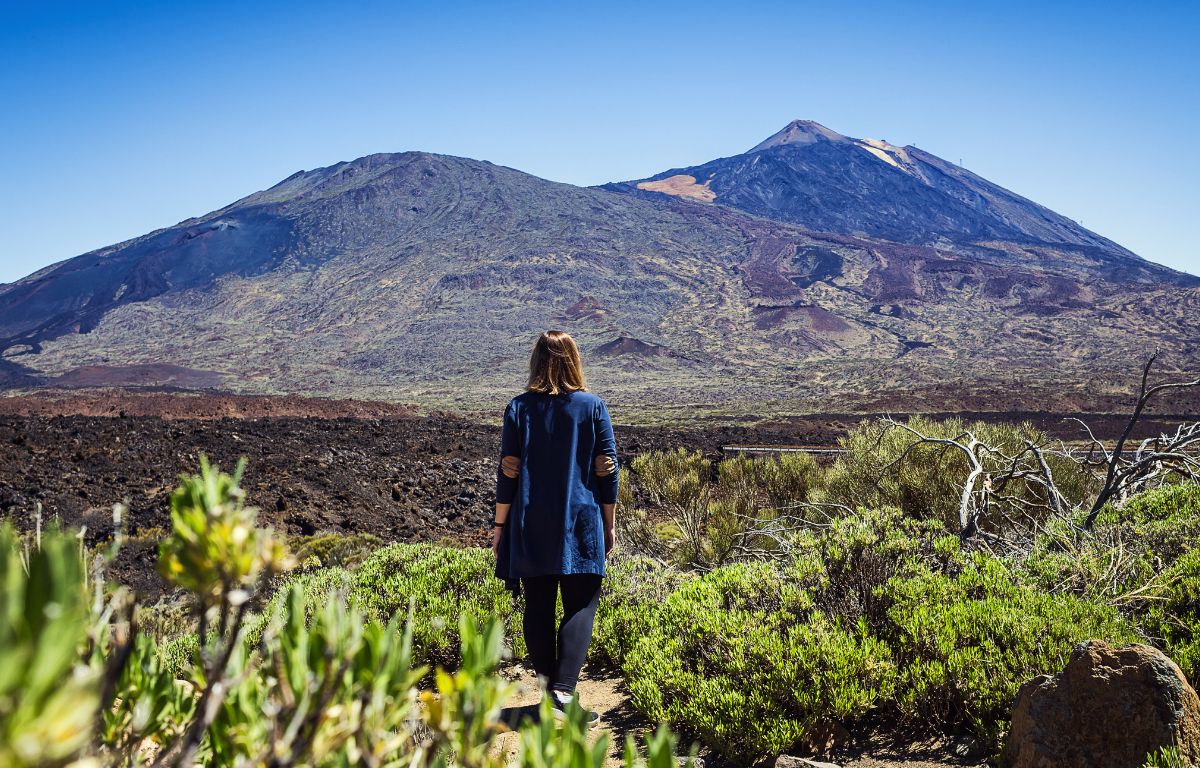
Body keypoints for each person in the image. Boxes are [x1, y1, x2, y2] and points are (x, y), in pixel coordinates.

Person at [492, 330, 618, 725]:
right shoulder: (592, 407)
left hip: (530, 521)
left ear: (536, 362)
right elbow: (607, 469)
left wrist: (499, 526)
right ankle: (563, 693)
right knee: (581, 603)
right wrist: (609, 524)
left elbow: (508, 472)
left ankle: (551, 697)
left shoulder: (518, 408)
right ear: (574, 361)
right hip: (581, 520)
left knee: (538, 605)